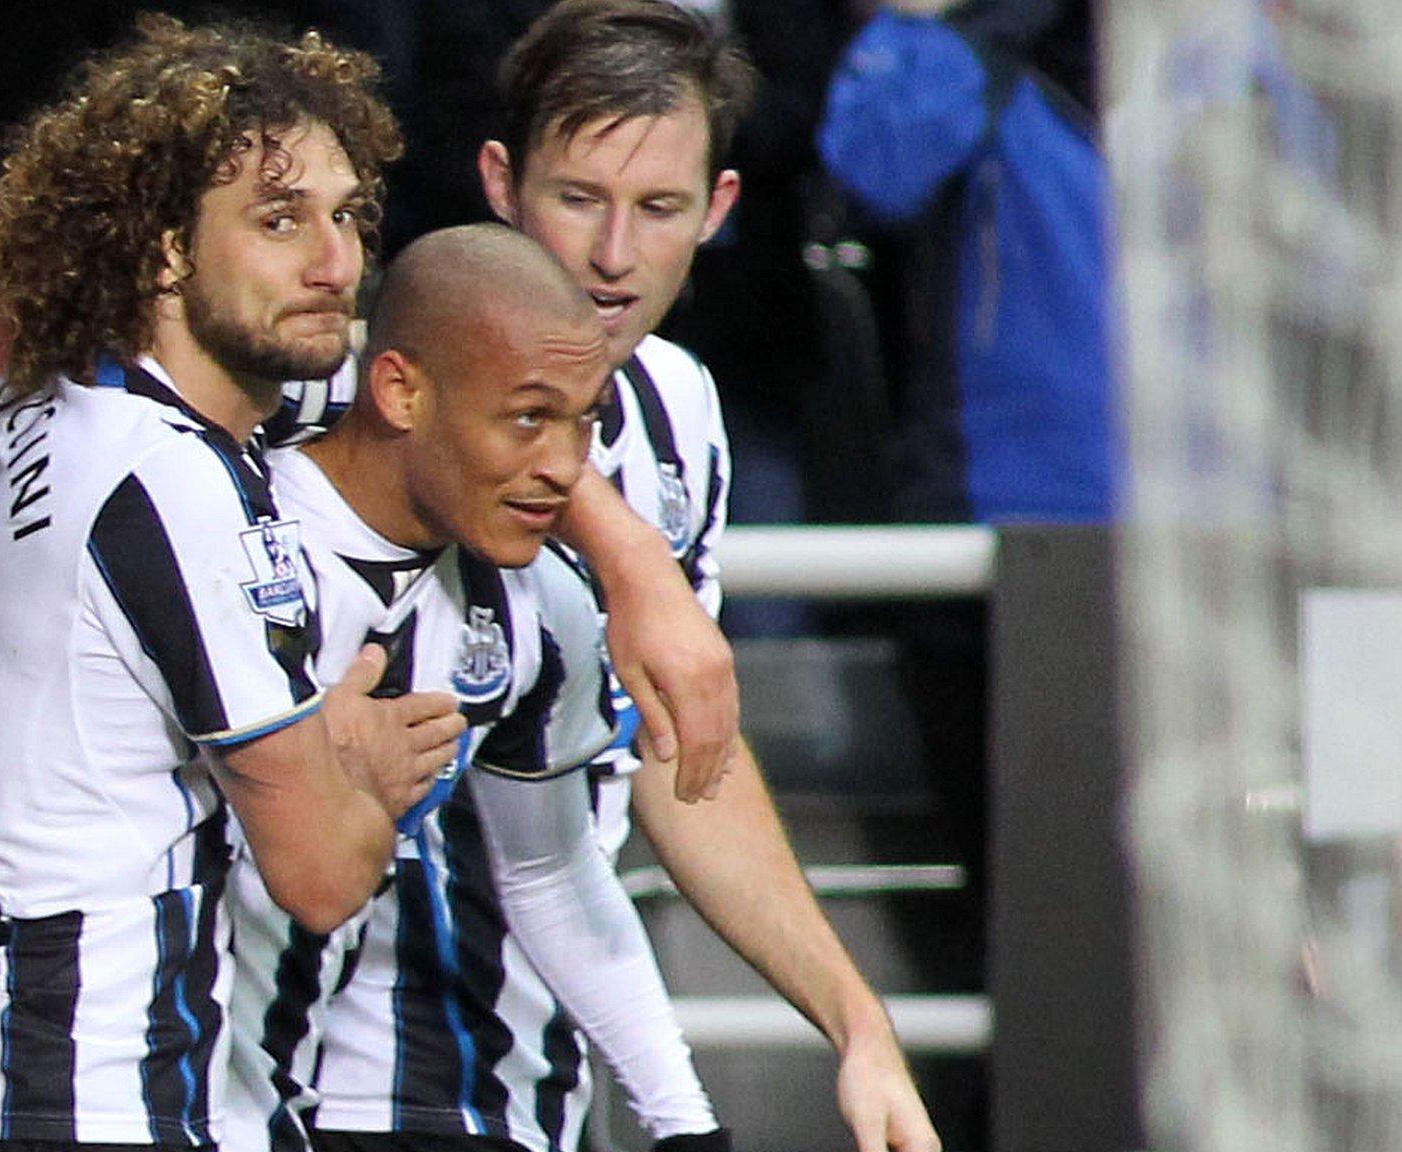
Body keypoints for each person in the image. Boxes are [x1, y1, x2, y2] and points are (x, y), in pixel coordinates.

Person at [0, 223, 732, 1152]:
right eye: (531, 419)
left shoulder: (544, 613)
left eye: (585, 422)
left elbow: (549, 871)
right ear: (400, 390)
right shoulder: (217, 523)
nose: (565, 468)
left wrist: (683, 1123)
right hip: (18, 1090)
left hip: (251, 1105)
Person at [0, 18, 465, 1149]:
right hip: (79, 1110)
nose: (336, 261)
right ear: (166, 249)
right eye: (280, 221)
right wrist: (351, 763)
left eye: (348, 216)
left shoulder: (39, 411)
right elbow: (319, 875)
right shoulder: (173, 485)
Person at [310, 5, 942, 1152]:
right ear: (499, 184)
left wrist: (856, 1024)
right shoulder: (363, 389)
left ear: (717, 211)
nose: (612, 256)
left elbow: (673, 752)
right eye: (578, 199)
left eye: (656, 210)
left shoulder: (678, 412)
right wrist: (624, 548)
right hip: (322, 1076)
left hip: (531, 1065)